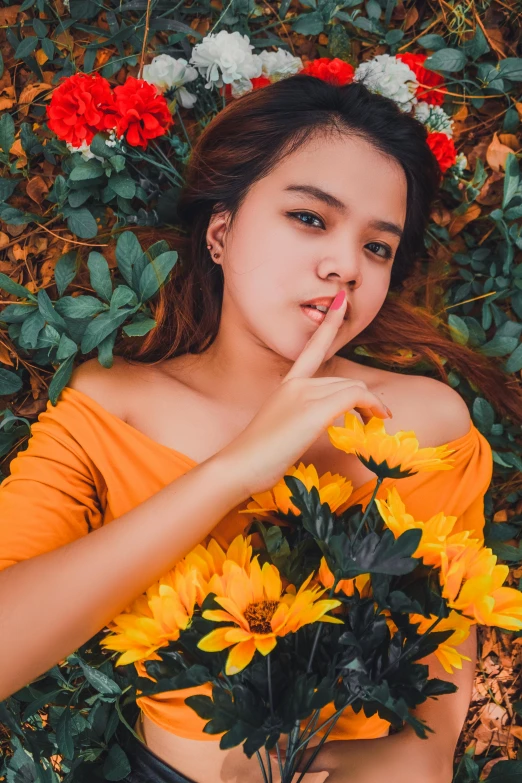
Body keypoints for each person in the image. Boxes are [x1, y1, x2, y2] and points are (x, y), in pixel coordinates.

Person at [0, 75, 518, 783]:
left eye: (378, 248)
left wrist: (370, 762)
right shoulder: (111, 408)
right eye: (310, 217)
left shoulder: (425, 424)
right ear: (222, 231)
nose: (344, 267)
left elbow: (436, 685)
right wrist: (234, 471)